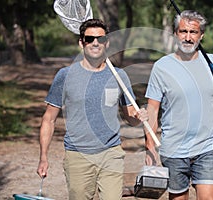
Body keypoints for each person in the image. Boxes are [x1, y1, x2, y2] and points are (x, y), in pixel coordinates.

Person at [36, 18, 148, 200]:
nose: (95, 43)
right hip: (77, 155)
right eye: (89, 39)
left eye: (101, 39)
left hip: (111, 153)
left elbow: (131, 118)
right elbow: (48, 119)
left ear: (107, 42)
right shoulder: (65, 76)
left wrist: (139, 116)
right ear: (81, 42)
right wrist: (43, 157)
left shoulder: (119, 76)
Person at [144, 10, 213, 200]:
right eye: (183, 31)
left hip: (207, 146)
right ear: (176, 33)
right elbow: (152, 109)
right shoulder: (162, 66)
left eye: (193, 32)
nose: (187, 37)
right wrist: (150, 147)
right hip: (174, 148)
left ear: (201, 35)